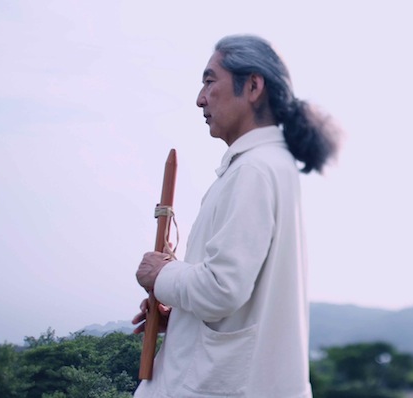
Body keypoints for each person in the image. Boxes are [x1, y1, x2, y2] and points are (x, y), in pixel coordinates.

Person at [133, 34, 338, 398]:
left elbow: (221, 288)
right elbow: (239, 294)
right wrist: (181, 319)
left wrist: (160, 273)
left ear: (253, 86)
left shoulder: (254, 170)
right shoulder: (268, 165)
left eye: (210, 81)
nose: (200, 99)